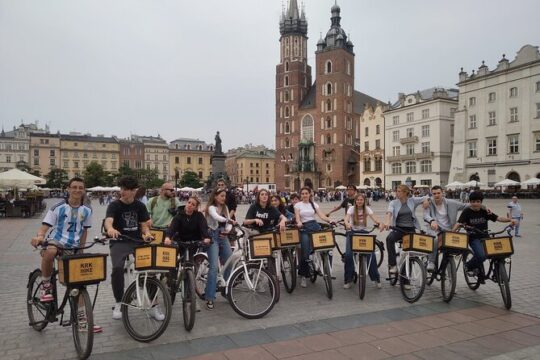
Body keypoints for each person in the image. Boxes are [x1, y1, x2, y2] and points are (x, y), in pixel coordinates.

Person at [30, 177, 101, 333]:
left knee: (79, 284)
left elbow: (84, 230)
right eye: (74, 187)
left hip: (73, 246)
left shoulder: (87, 210)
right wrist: (40, 236)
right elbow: (45, 226)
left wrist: (81, 249)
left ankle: (83, 320)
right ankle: (46, 285)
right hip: (57, 241)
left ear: (84, 190)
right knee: (50, 251)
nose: (77, 190)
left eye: (80, 188)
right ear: (68, 189)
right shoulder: (58, 207)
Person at [104, 176, 155, 320]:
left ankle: (154, 304)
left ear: (134, 191)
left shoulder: (140, 206)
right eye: (122, 189)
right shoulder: (114, 205)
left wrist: (147, 234)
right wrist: (110, 229)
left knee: (150, 269)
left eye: (126, 189)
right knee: (117, 268)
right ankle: (119, 302)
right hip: (119, 241)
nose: (123, 192)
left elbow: (144, 225)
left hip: (137, 241)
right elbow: (109, 221)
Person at [452, 191, 516, 283]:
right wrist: (451, 232)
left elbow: (498, 218)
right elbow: (459, 223)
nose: (475, 204)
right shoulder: (466, 212)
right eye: (473, 201)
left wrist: (510, 220)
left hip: (486, 237)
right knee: (482, 256)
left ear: (481, 202)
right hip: (474, 238)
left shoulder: (484, 211)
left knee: (498, 253)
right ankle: (468, 265)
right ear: (470, 202)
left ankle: (497, 272)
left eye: (478, 201)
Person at [382, 184, 428, 274]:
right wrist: (387, 222)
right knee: (389, 238)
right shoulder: (393, 202)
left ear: (405, 193)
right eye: (397, 191)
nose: (397, 193)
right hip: (398, 229)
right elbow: (389, 212)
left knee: (409, 253)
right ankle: (393, 264)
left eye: (399, 191)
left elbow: (426, 197)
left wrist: (426, 201)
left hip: (410, 229)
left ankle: (406, 280)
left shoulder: (412, 201)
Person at [294, 187, 335, 288]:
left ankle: (327, 269)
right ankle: (303, 276)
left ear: (310, 194)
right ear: (300, 195)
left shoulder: (314, 204)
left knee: (327, 247)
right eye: (302, 193)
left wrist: (329, 221)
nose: (304, 195)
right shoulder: (298, 205)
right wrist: (299, 222)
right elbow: (297, 217)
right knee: (305, 253)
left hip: (315, 226)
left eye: (306, 193)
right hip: (304, 227)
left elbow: (321, 215)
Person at [204, 188, 236, 310]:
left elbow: (227, 224)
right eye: (222, 196)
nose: (224, 198)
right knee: (213, 267)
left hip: (223, 236)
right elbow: (216, 217)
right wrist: (228, 220)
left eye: (224, 196)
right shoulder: (211, 207)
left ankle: (226, 291)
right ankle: (210, 297)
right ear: (216, 196)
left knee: (230, 262)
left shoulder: (226, 208)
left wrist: (227, 231)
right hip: (212, 236)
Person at [423, 185, 468, 272]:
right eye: (434, 193)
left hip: (449, 230)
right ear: (432, 194)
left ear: (442, 193)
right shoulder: (429, 203)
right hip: (435, 229)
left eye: (438, 193)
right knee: (435, 240)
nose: (436, 195)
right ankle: (431, 262)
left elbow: (466, 206)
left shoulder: (452, 203)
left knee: (461, 240)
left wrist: (483, 207)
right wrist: (431, 220)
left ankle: (451, 263)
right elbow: (426, 215)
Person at [343, 193, 382, 289]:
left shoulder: (367, 209)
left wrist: (379, 223)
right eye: (358, 200)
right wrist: (347, 224)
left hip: (363, 232)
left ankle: (376, 278)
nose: (359, 201)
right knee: (348, 255)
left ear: (364, 201)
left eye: (361, 200)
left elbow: (375, 218)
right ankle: (348, 279)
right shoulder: (351, 209)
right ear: (355, 201)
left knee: (371, 254)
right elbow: (346, 218)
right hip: (352, 232)